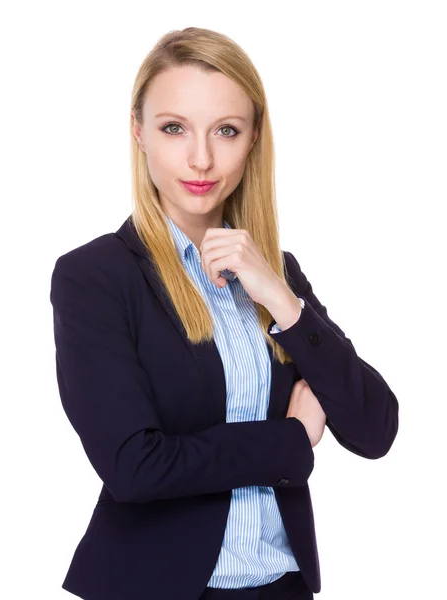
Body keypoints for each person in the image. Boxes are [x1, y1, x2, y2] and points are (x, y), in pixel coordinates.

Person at [50, 26, 399, 600]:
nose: (201, 158)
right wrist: (290, 440)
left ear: (253, 137)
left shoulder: (276, 274)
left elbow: (375, 428)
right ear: (138, 132)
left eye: (226, 131)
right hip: (156, 588)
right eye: (174, 128)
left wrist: (283, 299)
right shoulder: (96, 277)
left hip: (282, 586)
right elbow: (135, 467)